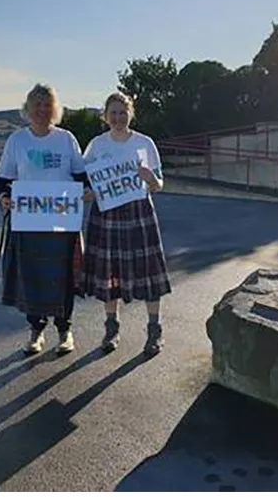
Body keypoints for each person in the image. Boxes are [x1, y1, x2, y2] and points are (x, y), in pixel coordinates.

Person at [0, 84, 90, 355]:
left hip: (62, 222)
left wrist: (85, 190)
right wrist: (4, 197)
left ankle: (65, 331)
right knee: (32, 278)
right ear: (28, 108)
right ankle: (35, 332)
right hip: (29, 222)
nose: (42, 110)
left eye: (47, 104)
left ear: (54, 109)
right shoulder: (17, 141)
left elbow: (80, 174)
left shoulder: (66, 139)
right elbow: (3, 179)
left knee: (63, 277)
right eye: (37, 104)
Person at [80, 92, 172, 357]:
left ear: (131, 113)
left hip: (138, 211)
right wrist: (89, 193)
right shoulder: (96, 146)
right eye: (113, 113)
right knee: (110, 272)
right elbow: (89, 184)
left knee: (148, 272)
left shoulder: (145, 143)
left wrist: (151, 178)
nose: (118, 117)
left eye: (123, 112)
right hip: (106, 213)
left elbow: (159, 185)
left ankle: (154, 331)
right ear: (105, 116)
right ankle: (111, 329)